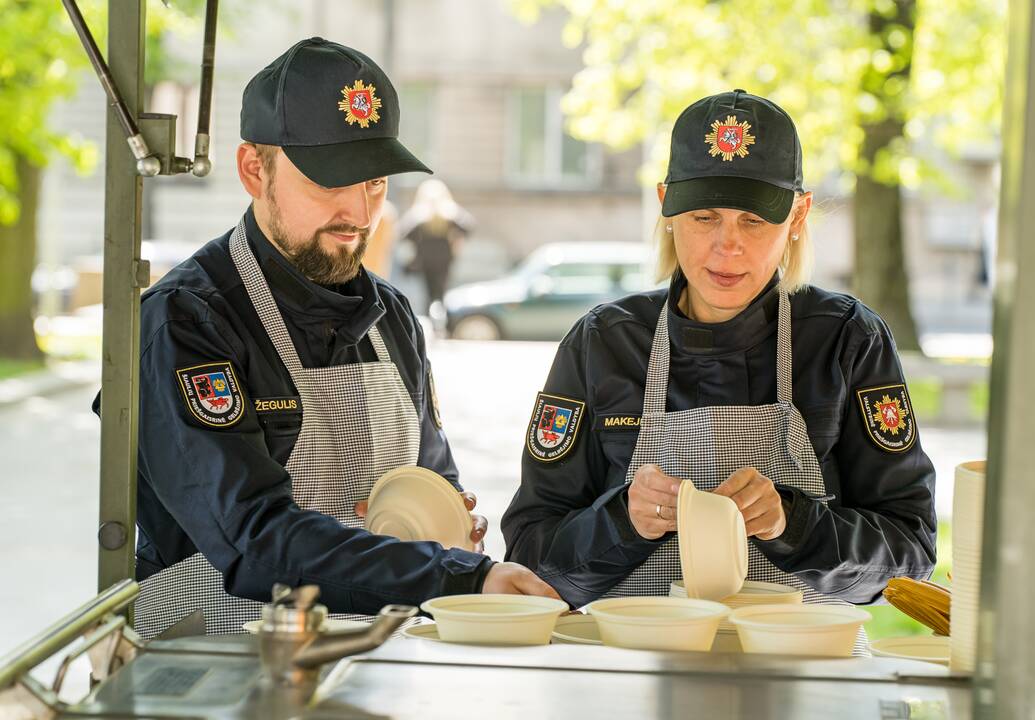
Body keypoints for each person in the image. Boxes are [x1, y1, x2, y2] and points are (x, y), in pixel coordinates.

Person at [94, 37, 555, 637]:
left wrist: (443, 521)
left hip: (371, 657)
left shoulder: (392, 316)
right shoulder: (186, 322)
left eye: (374, 183)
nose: (359, 214)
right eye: (330, 181)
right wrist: (454, 575)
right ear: (254, 170)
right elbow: (252, 538)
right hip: (210, 663)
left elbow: (435, 478)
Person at [501, 90, 936, 653]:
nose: (726, 247)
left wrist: (795, 524)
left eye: (754, 221)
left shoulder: (847, 339)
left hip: (805, 681)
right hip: (633, 678)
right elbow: (529, 558)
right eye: (704, 217)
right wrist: (620, 522)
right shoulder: (603, 343)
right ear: (666, 205)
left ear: (797, 216)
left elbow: (911, 557)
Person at [399, 178, 474, 318]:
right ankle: (440, 323)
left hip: (425, 260)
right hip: (445, 259)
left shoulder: (419, 214)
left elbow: (403, 233)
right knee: (441, 292)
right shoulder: (450, 213)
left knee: (428, 293)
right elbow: (468, 227)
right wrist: (455, 239)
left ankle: (431, 320)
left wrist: (417, 243)